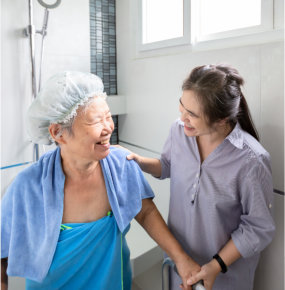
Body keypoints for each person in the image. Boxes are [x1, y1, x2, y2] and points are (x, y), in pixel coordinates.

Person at [1, 71, 201, 290]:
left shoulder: (120, 164)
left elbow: (145, 212)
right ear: (58, 132)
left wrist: (181, 259)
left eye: (108, 116)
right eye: (97, 121)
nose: (109, 127)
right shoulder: (28, 186)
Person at [123, 64, 276, 290]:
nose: (182, 117)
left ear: (222, 120)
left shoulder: (251, 161)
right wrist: (138, 161)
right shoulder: (179, 131)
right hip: (178, 266)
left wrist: (215, 266)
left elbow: (258, 227)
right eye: (182, 105)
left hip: (223, 278)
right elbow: (167, 165)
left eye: (192, 114)